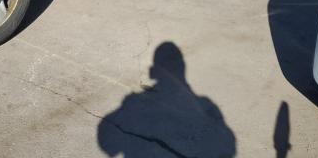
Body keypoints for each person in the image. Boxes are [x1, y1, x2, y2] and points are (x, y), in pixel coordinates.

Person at [98, 42, 236, 157]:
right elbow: (228, 146)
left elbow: (107, 144)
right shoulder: (205, 104)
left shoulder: (133, 102)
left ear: (153, 70)